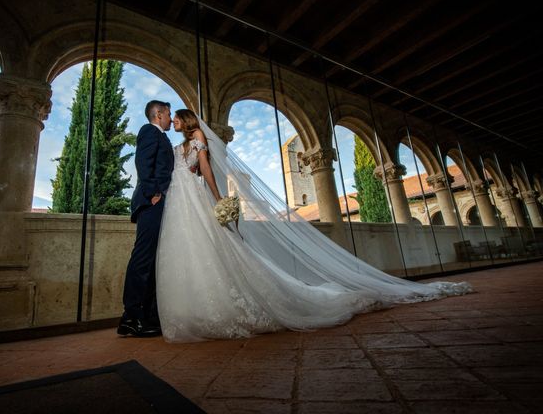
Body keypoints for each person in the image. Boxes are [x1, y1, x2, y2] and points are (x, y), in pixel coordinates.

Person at [156, 109, 472, 343]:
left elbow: (207, 170)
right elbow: (194, 171)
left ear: (188, 122)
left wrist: (218, 198)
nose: (176, 122)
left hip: (197, 200)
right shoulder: (185, 145)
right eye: (173, 119)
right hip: (186, 204)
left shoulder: (198, 139)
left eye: (178, 119)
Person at [117, 100, 173, 337]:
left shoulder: (163, 136)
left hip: (158, 203)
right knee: (142, 259)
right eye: (168, 114)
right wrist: (153, 193)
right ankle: (131, 317)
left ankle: (149, 316)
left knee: (152, 261)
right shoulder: (149, 131)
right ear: (158, 114)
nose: (171, 119)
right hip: (151, 202)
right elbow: (143, 162)